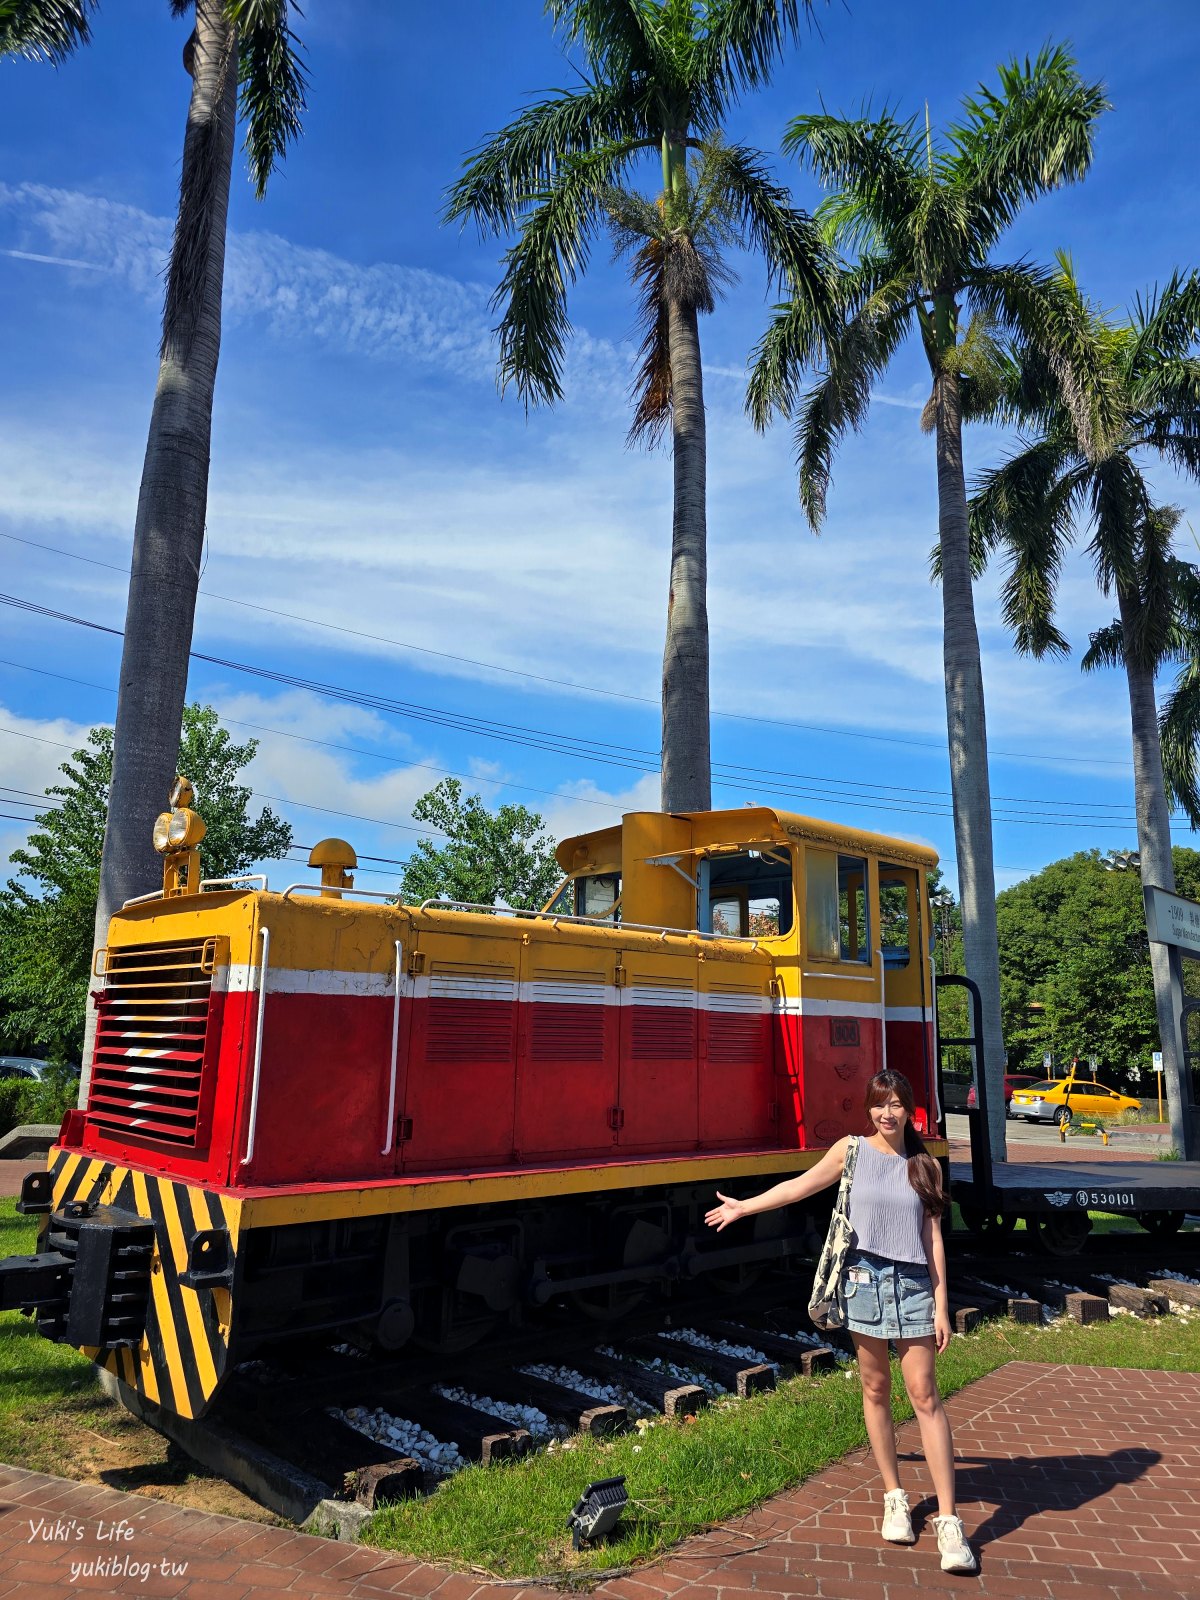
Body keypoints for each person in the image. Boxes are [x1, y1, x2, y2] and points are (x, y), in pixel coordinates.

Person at [704, 1068, 977, 1574]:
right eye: (879, 1104)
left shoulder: (926, 1166)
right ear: (869, 1109)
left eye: (896, 1104)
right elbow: (799, 1187)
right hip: (863, 1281)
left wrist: (941, 1305)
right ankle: (894, 1496)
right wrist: (745, 1206)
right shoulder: (851, 1150)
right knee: (875, 1388)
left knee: (924, 1395)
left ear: (910, 1109)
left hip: (914, 1283)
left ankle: (948, 1520)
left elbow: (934, 1239)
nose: (887, 1113)